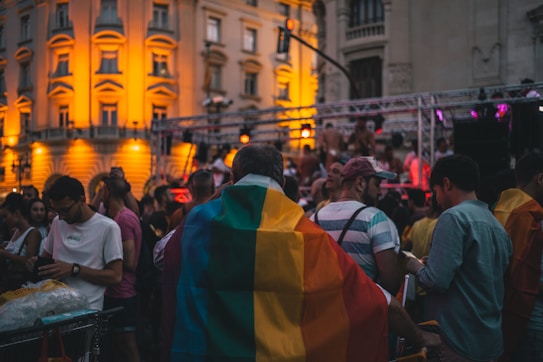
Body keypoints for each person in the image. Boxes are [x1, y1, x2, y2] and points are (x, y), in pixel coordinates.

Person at [162, 144, 440, 362]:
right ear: (282, 181)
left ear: (232, 179)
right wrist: (420, 336)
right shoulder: (307, 236)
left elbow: (160, 255)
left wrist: (210, 202)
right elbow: (376, 298)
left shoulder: (199, 227)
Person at [406, 155, 512, 361]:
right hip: (489, 340)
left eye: (435, 191)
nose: (435, 199)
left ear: (446, 183)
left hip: (457, 339)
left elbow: (436, 281)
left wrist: (415, 267)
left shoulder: (453, 217)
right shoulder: (496, 224)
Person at [28, 176, 123, 310]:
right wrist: (37, 264)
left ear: (82, 200)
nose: (61, 216)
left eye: (65, 210)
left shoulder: (108, 227)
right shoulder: (57, 222)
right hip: (54, 308)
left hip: (87, 311)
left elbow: (115, 276)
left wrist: (74, 269)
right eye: (56, 211)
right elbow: (47, 258)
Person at [311, 156, 402, 295]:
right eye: (376, 184)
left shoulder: (315, 218)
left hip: (325, 309)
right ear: (360, 183)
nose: (379, 192)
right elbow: (391, 282)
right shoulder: (375, 218)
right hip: (362, 311)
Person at [492, 151, 543, 361]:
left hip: (500, 312)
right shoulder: (533, 216)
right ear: (540, 179)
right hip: (533, 317)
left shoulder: (499, 209)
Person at [102, 176, 142, 362]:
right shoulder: (122, 216)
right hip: (119, 292)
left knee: (127, 345)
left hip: (123, 293)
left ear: (107, 192)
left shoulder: (124, 219)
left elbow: (129, 261)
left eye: (102, 190)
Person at [0, 193, 42, 292]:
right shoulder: (16, 232)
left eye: (6, 216)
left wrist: (6, 254)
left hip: (20, 285)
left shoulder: (33, 233)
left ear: (17, 214)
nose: (4, 221)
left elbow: (29, 260)